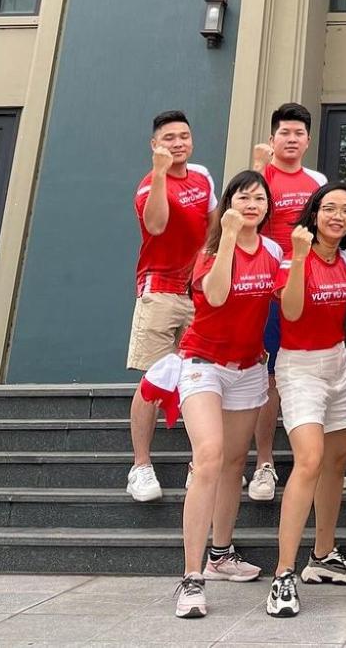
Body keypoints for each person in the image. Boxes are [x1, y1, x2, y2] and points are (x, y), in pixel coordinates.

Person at [173, 169, 281, 620]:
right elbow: (215, 296)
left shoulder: (273, 251)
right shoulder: (210, 252)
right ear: (228, 205)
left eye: (259, 199)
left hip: (249, 368)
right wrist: (230, 238)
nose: (251, 205)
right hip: (203, 364)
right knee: (210, 457)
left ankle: (220, 555)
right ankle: (191, 576)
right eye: (243, 197)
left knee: (235, 463)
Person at [265, 183, 346, 619]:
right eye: (329, 208)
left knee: (337, 460)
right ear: (314, 212)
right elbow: (289, 311)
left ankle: (323, 555)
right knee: (309, 460)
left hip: (337, 363)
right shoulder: (293, 256)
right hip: (300, 367)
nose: (337, 216)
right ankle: (283, 573)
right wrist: (301, 256)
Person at [127, 110, 215, 502]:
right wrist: (161, 172)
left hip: (195, 292)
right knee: (154, 379)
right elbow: (157, 225)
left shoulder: (202, 176)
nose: (178, 143)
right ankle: (140, 466)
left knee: (202, 377)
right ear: (155, 145)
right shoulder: (149, 185)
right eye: (169, 138)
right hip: (159, 289)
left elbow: (213, 227)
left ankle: (202, 463)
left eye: (184, 136)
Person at [249, 103, 327, 504]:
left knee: (311, 371)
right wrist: (258, 168)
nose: (292, 139)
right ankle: (264, 461)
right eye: (285, 132)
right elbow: (246, 218)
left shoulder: (318, 181)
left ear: (308, 140)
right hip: (266, 288)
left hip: (307, 287)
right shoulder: (260, 176)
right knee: (270, 377)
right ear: (273, 137)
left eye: (299, 133)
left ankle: (313, 461)